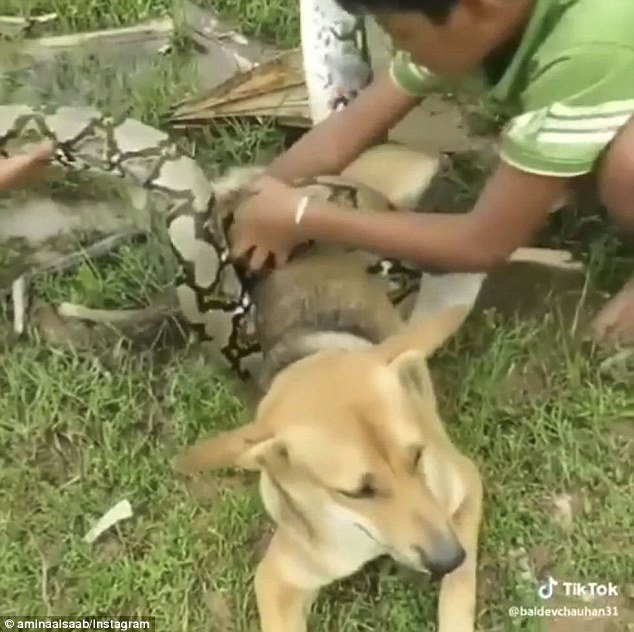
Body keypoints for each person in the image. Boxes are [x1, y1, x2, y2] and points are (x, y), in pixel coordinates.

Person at [230, 0, 634, 346]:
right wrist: (246, 198)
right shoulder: (480, 19)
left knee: (626, 169)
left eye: (404, 35)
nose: (395, 47)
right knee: (571, 155)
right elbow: (346, 133)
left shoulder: (590, 48)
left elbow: (482, 243)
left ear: (478, 9)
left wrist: (304, 216)